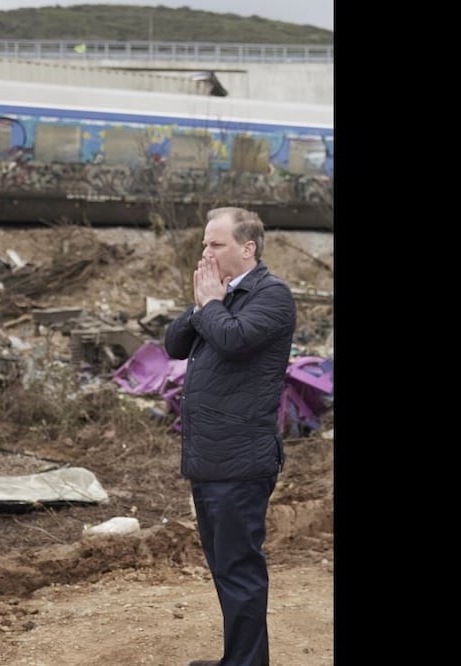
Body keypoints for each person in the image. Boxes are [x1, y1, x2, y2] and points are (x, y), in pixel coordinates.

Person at [163, 207, 296, 666]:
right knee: (225, 568)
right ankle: (239, 660)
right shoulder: (219, 294)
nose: (206, 252)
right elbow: (174, 344)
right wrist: (204, 302)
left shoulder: (272, 295)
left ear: (248, 248)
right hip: (209, 458)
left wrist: (210, 305)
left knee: (240, 569)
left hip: (241, 461)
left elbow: (234, 340)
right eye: (205, 244)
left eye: (216, 244)